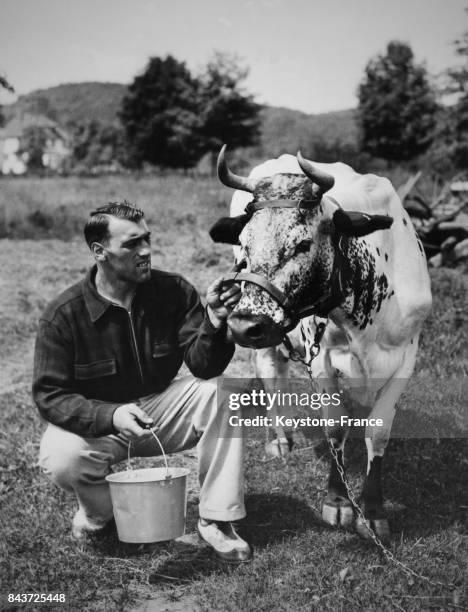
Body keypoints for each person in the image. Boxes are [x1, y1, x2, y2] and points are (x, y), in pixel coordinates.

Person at [32, 200, 251, 563]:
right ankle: (98, 516)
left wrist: (214, 320)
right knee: (61, 455)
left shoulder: (173, 291)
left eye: (147, 239)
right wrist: (111, 416)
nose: (146, 251)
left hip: (160, 410)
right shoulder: (63, 315)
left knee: (226, 393)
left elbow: (203, 367)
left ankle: (217, 518)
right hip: (100, 424)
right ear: (99, 252)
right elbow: (50, 396)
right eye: (132, 244)